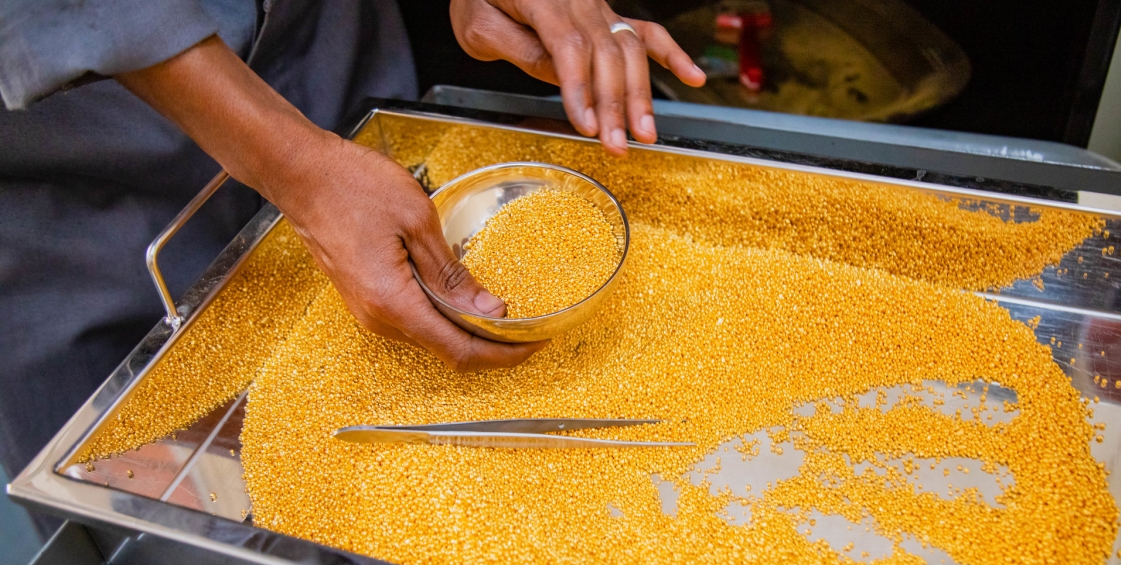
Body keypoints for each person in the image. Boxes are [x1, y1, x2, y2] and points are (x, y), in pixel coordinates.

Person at [0, 0, 705, 526]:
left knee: (433, 519)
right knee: (156, 533)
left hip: (325, 59)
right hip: (88, 189)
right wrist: (297, 167)